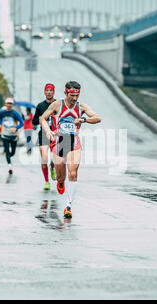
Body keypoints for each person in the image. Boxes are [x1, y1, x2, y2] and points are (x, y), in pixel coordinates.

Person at [40, 81, 101, 218]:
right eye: (72, 95)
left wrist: (84, 120)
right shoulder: (57, 105)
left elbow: (97, 118)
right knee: (61, 176)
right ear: (66, 93)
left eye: (77, 95)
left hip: (74, 143)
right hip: (59, 142)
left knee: (73, 173)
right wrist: (48, 131)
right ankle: (60, 182)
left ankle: (68, 206)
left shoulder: (81, 107)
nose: (74, 99)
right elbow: (42, 119)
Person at [33, 83, 57, 191]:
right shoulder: (40, 106)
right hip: (43, 134)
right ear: (44, 92)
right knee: (44, 159)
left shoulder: (58, 104)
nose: (49, 92)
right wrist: (41, 119)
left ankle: (53, 167)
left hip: (56, 134)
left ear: (53, 92)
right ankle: (47, 182)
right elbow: (34, 121)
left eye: (50, 90)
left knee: (54, 159)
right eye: (47, 90)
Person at [0, 97, 24, 174]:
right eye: (7, 103)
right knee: (7, 151)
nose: (9, 105)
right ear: (5, 104)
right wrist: (0, 125)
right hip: (5, 135)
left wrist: (16, 128)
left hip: (13, 136)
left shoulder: (15, 113)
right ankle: (9, 166)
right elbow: (0, 118)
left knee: (12, 152)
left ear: (12, 104)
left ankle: (9, 159)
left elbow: (22, 123)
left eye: (10, 103)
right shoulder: (2, 112)